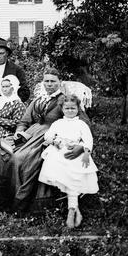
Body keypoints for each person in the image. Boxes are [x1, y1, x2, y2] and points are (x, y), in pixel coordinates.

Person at [0, 67, 88, 213]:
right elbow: (24, 121)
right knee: (1, 152)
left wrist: (70, 138)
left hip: (50, 136)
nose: (49, 84)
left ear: (60, 82)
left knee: (20, 159)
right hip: (30, 134)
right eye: (46, 81)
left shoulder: (64, 100)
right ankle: (3, 200)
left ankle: (19, 204)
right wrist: (19, 132)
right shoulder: (38, 100)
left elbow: (82, 122)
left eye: (53, 81)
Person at [38, 95, 99, 228]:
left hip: (76, 150)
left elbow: (88, 140)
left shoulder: (81, 124)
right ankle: (73, 208)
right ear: (62, 109)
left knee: (74, 173)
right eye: (67, 108)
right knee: (63, 173)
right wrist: (54, 141)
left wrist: (86, 153)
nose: (70, 111)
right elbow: (47, 136)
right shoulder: (58, 123)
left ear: (78, 109)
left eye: (73, 108)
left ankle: (72, 210)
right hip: (58, 150)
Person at [0, 75, 27, 153]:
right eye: (2, 86)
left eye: (7, 86)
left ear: (13, 87)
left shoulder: (18, 103)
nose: (4, 89)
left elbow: (17, 123)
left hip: (4, 130)